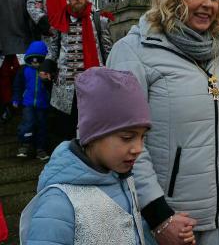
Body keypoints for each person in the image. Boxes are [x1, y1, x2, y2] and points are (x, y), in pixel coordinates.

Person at [107, 0, 219, 245]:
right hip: (171, 218)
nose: (208, 4)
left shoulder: (218, 52)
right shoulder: (133, 52)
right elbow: (121, 141)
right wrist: (159, 215)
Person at [19, 66, 174, 245]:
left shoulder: (124, 180)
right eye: (127, 137)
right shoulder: (58, 205)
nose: (138, 148)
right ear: (93, 136)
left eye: (142, 137)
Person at [41, 0, 113, 142]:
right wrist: (47, 66)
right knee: (64, 131)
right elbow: (53, 49)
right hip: (65, 86)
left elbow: (108, 50)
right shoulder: (60, 19)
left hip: (92, 83)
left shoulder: (99, 19)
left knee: (92, 128)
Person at [0, 0, 32, 121]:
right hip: (2, 39)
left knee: (20, 74)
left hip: (20, 38)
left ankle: (18, 104)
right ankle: (7, 106)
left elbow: (31, 11)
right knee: (4, 75)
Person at [13, 40, 51, 160]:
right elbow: (18, 86)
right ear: (29, 58)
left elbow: (53, 87)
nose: (35, 62)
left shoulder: (47, 71)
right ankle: (24, 145)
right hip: (28, 103)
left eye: (38, 59)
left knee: (42, 125)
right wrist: (16, 99)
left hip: (43, 104)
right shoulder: (23, 70)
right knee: (27, 123)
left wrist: (48, 80)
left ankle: (41, 148)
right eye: (32, 59)